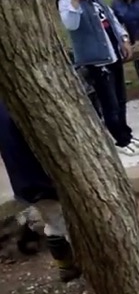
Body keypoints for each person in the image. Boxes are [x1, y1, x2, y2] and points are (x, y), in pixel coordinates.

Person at [57, 0, 139, 156]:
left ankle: (126, 133)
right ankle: (120, 140)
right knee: (109, 103)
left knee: (121, 98)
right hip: (96, 60)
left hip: (112, 52)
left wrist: (124, 39)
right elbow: (71, 24)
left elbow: (110, 18)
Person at [0, 103, 81, 283]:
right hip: (42, 177)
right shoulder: (20, 103)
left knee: (54, 222)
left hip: (25, 181)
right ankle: (94, 270)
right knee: (69, 225)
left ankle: (66, 266)